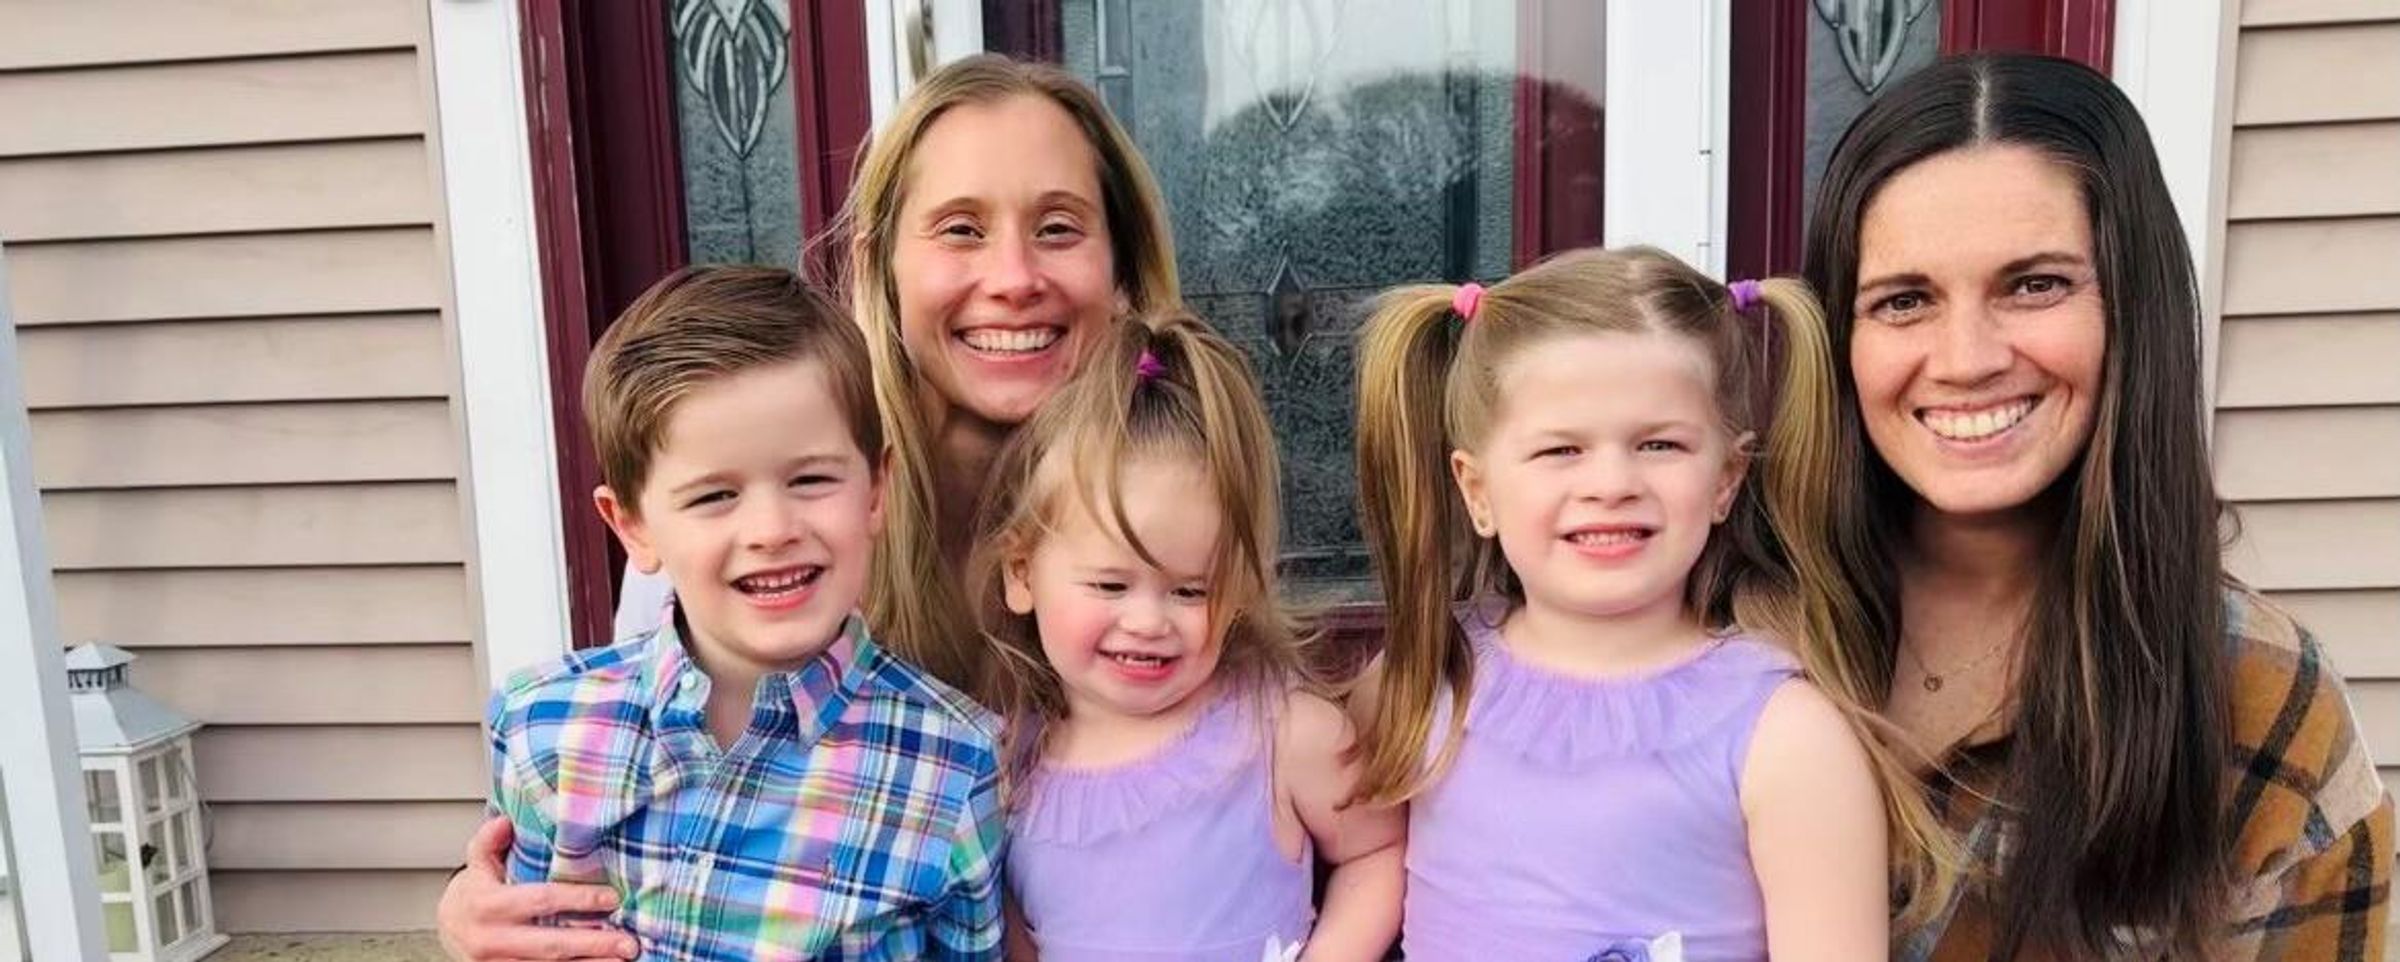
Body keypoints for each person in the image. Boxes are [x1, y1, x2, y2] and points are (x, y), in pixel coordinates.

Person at [442, 57, 1183, 961]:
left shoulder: (1177, 506)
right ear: (882, 263)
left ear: (1121, 264)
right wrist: (471, 910)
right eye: (960, 229)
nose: (1015, 276)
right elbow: (589, 824)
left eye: (1059, 228)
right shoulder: (747, 525)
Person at [1800, 52, 2393, 959]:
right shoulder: (1724, 609)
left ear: (2132, 305)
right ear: (1839, 337)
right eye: (1904, 300)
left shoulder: (2263, 703)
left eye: (2034, 284)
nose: (1965, 358)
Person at [1349, 247, 1926, 961]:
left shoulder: (1785, 738)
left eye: (1658, 444)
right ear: (1477, 490)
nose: (1612, 482)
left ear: (1726, 478)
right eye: (1561, 450)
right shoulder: (1421, 684)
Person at [485, 266, 1003, 960]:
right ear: (632, 525)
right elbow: (512, 937)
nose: (771, 528)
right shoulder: (540, 725)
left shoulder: (955, 764)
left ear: (876, 489)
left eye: (811, 479)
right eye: (714, 497)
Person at [970, 311, 1404, 961]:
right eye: (1110, 587)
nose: (1148, 621)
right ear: (1022, 574)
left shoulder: (1282, 733)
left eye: (1190, 590)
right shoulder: (1008, 769)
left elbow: (1378, 851)